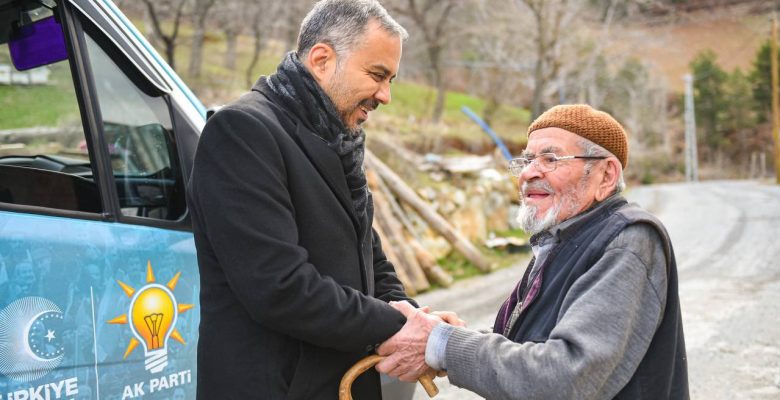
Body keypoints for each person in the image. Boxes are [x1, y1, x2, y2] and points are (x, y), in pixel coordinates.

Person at [376, 104, 689, 399]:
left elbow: (566, 376)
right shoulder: (563, 238)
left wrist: (443, 344)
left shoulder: (628, 240)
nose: (528, 173)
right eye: (526, 160)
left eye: (550, 160)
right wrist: (450, 338)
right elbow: (529, 346)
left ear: (605, 176)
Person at [186, 1, 418, 399]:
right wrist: (398, 326)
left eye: (391, 79)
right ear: (323, 59)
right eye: (378, 75)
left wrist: (411, 313)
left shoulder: (337, 139)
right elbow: (280, 287)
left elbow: (369, 256)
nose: (386, 95)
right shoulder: (243, 132)